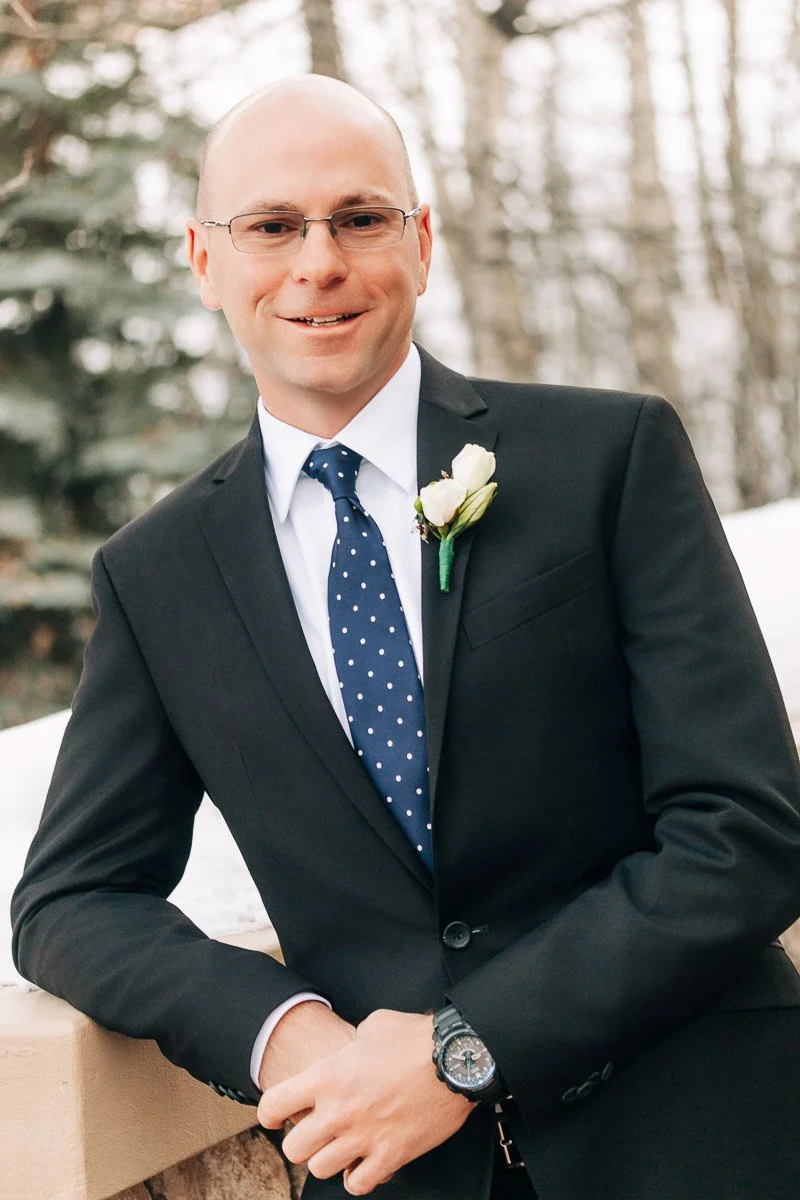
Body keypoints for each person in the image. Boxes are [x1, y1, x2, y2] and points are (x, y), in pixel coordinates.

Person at [11, 74, 800, 1200]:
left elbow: (746, 831)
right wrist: (280, 1033)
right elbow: (68, 900)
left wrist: (464, 1049)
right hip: (390, 1175)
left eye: (359, 218)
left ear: (420, 243)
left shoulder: (606, 458)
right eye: (271, 227)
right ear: (204, 262)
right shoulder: (157, 574)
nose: (317, 263)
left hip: (699, 1137)